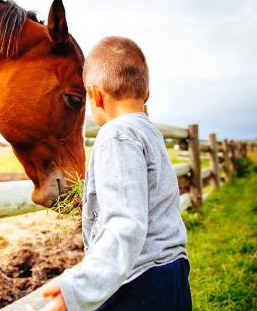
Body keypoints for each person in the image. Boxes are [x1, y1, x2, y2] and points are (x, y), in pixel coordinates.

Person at [27, 36, 192, 311]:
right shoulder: (150, 133)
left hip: (138, 282)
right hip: (173, 272)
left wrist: (79, 288)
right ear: (146, 94)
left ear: (95, 95)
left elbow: (126, 223)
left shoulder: (116, 135)